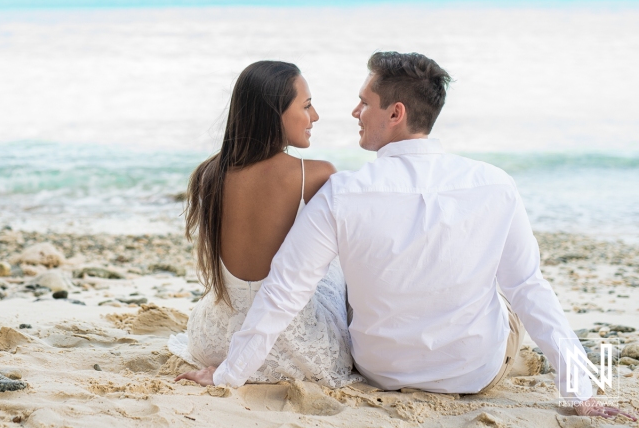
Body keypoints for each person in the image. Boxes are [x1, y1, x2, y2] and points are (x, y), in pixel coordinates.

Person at [177, 51, 635, 421]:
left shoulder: (342, 192)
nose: (354, 111)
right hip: (473, 374)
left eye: (364, 102)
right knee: (515, 289)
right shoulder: (494, 184)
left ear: (394, 113)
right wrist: (580, 393)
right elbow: (530, 288)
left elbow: (284, 290)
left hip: (382, 372)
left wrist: (229, 375)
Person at [168, 60, 360, 388]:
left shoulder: (208, 175)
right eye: (307, 105)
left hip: (215, 341)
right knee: (334, 262)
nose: (315, 116)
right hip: (296, 348)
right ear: (275, 113)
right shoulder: (315, 175)